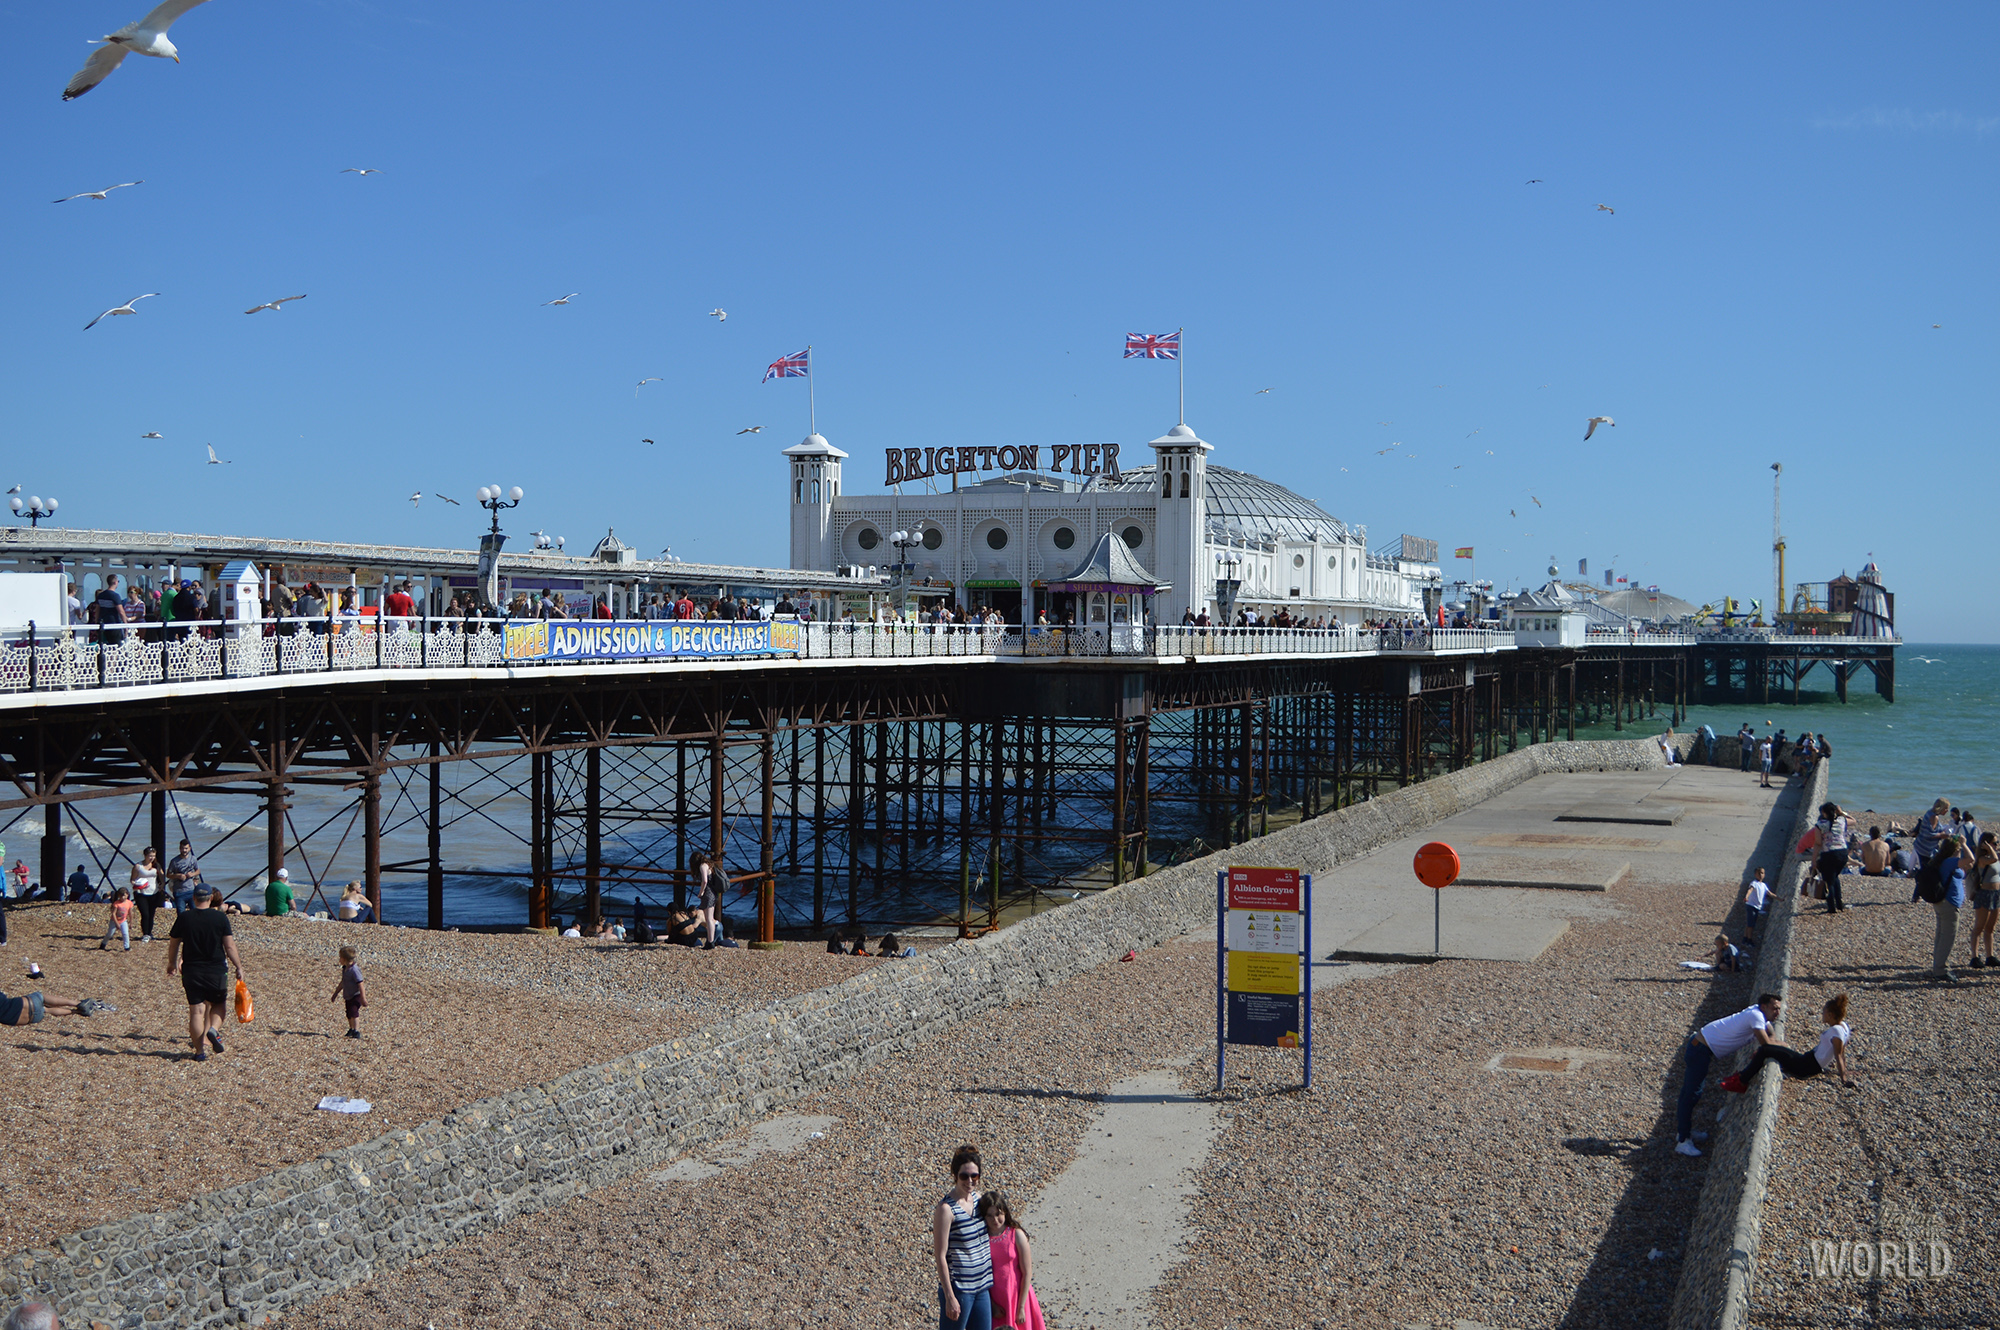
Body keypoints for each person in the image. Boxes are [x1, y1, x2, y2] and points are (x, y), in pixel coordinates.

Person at [1674, 993, 1783, 1157]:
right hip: (1699, 1050)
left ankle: (1684, 1131)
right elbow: (1767, 1045)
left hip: (1701, 1047)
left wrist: (1772, 1040)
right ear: (1764, 1006)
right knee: (1691, 1094)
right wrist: (1782, 1045)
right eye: (1775, 1008)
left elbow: (1770, 1033)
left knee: (1690, 1092)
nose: (1778, 1013)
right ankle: (1683, 1141)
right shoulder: (1755, 1016)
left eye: (1779, 1009)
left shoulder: (1758, 1013)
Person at [165, 886, 243, 1060]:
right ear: (210, 898)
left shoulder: (184, 917)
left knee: (196, 1011)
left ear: (194, 898)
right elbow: (229, 946)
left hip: (192, 970)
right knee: (219, 1004)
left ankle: (199, 1052)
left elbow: (174, 944)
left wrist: (172, 963)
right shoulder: (220, 918)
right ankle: (213, 1029)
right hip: (216, 969)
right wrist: (238, 966)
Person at [1718, 993, 1855, 1092]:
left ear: (1830, 1015)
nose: (1822, 1014)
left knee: (1765, 1050)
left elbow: (1839, 1055)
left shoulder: (1836, 1032)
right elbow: (1841, 1053)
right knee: (1770, 1049)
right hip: (1807, 1059)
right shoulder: (1844, 1027)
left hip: (1806, 1067)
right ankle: (1740, 1076)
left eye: (1824, 1012)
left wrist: (1843, 1078)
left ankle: (1741, 1082)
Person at [933, 1144, 993, 1330]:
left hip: (982, 1288)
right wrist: (950, 1296)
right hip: (960, 1290)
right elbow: (940, 1255)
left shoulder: (979, 1200)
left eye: (974, 1176)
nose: (970, 1181)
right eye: (964, 1176)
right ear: (955, 1175)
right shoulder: (946, 1209)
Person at [977, 1191, 1045, 1330]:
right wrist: (992, 1305)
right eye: (989, 1215)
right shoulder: (981, 1239)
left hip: (1017, 1295)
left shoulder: (1016, 1234)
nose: (995, 1220)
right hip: (994, 1297)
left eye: (998, 1214)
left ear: (1005, 1213)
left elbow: (1027, 1272)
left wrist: (1021, 1307)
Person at [1928, 836, 1967, 983]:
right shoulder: (1950, 862)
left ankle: (1937, 967)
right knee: (1947, 937)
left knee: (1941, 935)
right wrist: (1964, 844)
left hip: (1942, 902)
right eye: (1958, 849)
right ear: (1953, 850)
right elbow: (1970, 860)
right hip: (1949, 904)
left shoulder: (1941, 860)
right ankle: (1941, 970)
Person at [1814, 803, 1853, 914]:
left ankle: (1831, 908)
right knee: (1834, 877)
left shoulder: (1820, 825)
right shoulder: (1841, 821)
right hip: (1843, 854)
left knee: (1828, 881)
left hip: (1829, 854)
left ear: (1823, 813)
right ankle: (1839, 904)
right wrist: (1842, 813)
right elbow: (1854, 821)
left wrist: (1814, 860)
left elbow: (1818, 843)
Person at [1969, 834, 1998, 970]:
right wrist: (1989, 848)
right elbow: (1994, 859)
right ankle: (1974, 957)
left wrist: (1992, 848)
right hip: (1984, 894)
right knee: (1979, 927)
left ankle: (1989, 956)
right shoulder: (1982, 859)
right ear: (1985, 844)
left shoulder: (1995, 857)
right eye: (1994, 843)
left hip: (1996, 894)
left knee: (1990, 927)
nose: (1996, 845)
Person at [331, 944, 367, 1039]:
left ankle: (356, 1030)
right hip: (348, 995)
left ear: (344, 959)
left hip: (355, 995)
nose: (339, 960)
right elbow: (343, 982)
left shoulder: (354, 970)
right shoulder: (345, 969)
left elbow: (361, 984)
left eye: (340, 958)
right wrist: (336, 993)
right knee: (349, 1013)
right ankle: (351, 1028)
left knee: (354, 1012)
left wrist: (363, 998)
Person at [130, 846, 164, 941]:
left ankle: (149, 933)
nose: (152, 858)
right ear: (145, 855)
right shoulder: (138, 866)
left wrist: (162, 885)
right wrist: (138, 884)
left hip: (154, 892)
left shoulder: (156, 865)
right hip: (141, 893)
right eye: (150, 856)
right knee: (145, 914)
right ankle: (145, 934)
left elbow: (162, 876)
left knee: (151, 913)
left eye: (153, 856)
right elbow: (132, 879)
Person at [692, 851, 721, 949]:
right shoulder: (709, 865)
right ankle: (710, 940)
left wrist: (701, 892)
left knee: (709, 919)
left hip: (708, 894)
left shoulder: (702, 866)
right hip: (713, 893)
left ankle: (710, 942)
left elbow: (705, 881)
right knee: (710, 918)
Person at [167, 839, 203, 912]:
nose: (184, 850)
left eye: (186, 848)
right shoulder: (174, 861)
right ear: (179, 848)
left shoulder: (193, 859)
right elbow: (168, 874)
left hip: (191, 890)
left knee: (195, 912)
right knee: (181, 912)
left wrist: (192, 874)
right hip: (179, 891)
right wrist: (177, 876)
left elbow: (198, 871)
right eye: (182, 848)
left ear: (190, 848)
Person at [99, 887, 133, 951]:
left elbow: (130, 913)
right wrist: (117, 923)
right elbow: (113, 914)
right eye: (121, 896)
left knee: (125, 934)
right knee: (110, 934)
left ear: (127, 895)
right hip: (114, 921)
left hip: (123, 921)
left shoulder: (129, 903)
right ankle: (103, 944)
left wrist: (131, 922)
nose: (123, 898)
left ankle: (127, 947)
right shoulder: (116, 903)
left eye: (124, 896)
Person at [1743, 868, 1771, 939]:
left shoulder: (1763, 885)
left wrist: (1780, 899)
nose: (1761, 875)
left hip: (1757, 907)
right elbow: (1750, 890)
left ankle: (1745, 937)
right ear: (1755, 874)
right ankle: (1749, 939)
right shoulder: (1754, 883)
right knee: (1751, 925)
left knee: (1750, 923)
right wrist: (1746, 897)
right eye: (1759, 873)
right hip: (1751, 906)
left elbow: (1770, 893)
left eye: (1762, 873)